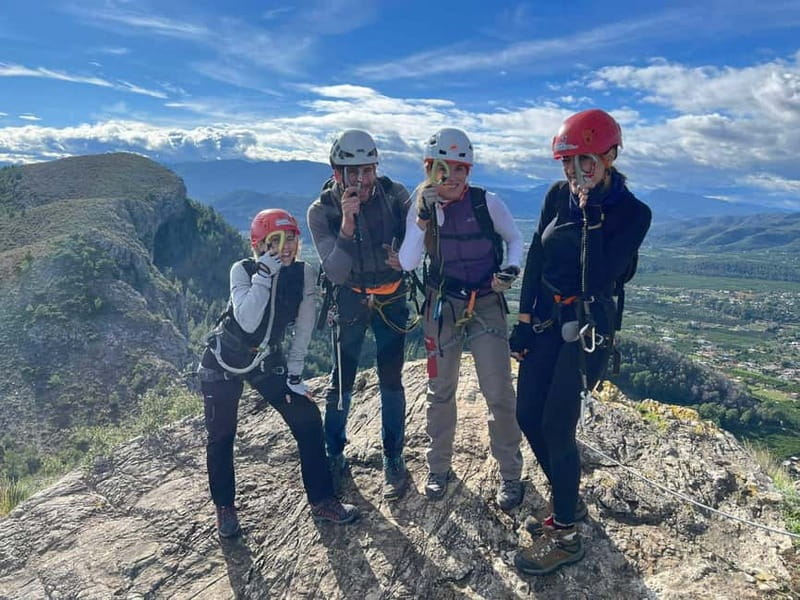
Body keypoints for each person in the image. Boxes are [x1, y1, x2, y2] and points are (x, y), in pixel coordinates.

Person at [511, 109, 651, 575]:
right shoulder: (557, 195)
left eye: (585, 161)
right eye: (567, 162)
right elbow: (537, 255)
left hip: (588, 328)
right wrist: (524, 319)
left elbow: (600, 278)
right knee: (527, 414)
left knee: (557, 426)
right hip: (547, 319)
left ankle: (567, 536)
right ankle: (566, 500)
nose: (575, 172)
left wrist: (590, 219)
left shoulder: (633, 214)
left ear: (609, 157)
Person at [198, 209, 359, 537]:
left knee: (307, 418)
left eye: (291, 239)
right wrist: (264, 275)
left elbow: (304, 326)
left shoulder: (303, 274)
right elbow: (247, 321)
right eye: (276, 240)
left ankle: (322, 500)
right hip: (224, 360)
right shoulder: (242, 270)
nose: (286, 247)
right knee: (221, 435)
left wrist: (295, 375)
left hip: (265, 360)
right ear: (259, 245)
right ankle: (225, 508)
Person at [398, 127, 525, 511]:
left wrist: (510, 269)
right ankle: (438, 467)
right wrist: (422, 220)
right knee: (440, 390)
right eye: (442, 168)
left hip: (485, 301)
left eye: (459, 169)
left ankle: (510, 473)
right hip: (443, 304)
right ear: (429, 169)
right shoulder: (421, 206)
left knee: (498, 391)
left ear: (468, 171)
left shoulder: (488, 203)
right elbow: (408, 262)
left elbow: (515, 239)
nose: (451, 177)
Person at [307, 130, 412, 501]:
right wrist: (347, 227)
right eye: (352, 172)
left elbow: (418, 236)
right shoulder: (322, 211)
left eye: (368, 170)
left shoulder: (396, 195)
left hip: (391, 295)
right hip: (349, 296)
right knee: (342, 381)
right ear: (336, 173)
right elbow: (336, 272)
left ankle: (393, 457)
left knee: (391, 379)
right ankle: (334, 454)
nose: (362, 180)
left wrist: (405, 256)